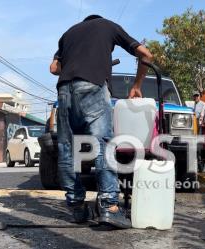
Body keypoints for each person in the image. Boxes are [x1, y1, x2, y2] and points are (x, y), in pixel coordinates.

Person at [50, 14, 153, 229]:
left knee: (67, 148)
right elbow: (146, 55)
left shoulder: (68, 33)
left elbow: (54, 69)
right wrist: (136, 85)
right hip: (93, 87)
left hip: (64, 90)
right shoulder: (108, 26)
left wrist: (75, 61)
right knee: (103, 145)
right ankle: (109, 207)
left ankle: (77, 207)